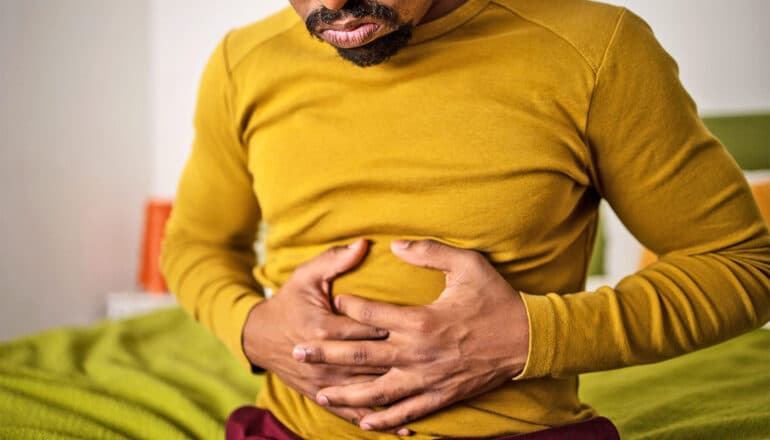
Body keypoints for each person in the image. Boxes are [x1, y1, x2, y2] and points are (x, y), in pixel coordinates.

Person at [160, 0, 770, 438]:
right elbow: (194, 243)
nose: (333, 5)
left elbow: (743, 266)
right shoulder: (243, 63)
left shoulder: (597, 49)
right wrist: (251, 328)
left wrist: (527, 338)